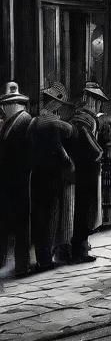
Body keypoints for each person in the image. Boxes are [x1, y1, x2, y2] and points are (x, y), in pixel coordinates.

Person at [29, 83, 75, 272]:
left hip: (36, 175)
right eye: (58, 103)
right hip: (51, 177)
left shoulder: (35, 121)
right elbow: (59, 147)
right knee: (49, 218)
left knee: (39, 218)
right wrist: (69, 162)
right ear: (54, 103)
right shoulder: (52, 123)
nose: (59, 107)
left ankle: (42, 258)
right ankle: (47, 260)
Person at [66, 81, 108, 263]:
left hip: (84, 170)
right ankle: (79, 251)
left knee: (83, 210)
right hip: (85, 171)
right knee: (83, 210)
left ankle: (80, 247)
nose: (99, 105)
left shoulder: (82, 118)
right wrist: (100, 153)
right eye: (97, 101)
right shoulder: (83, 120)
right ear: (91, 100)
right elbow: (93, 148)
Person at [0, 82, 35, 276]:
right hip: (8, 180)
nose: (3, 108)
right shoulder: (8, 122)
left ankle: (22, 264)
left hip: (21, 180)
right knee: (5, 222)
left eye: (6, 105)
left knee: (21, 224)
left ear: (14, 104)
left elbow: (28, 154)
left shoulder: (25, 121)